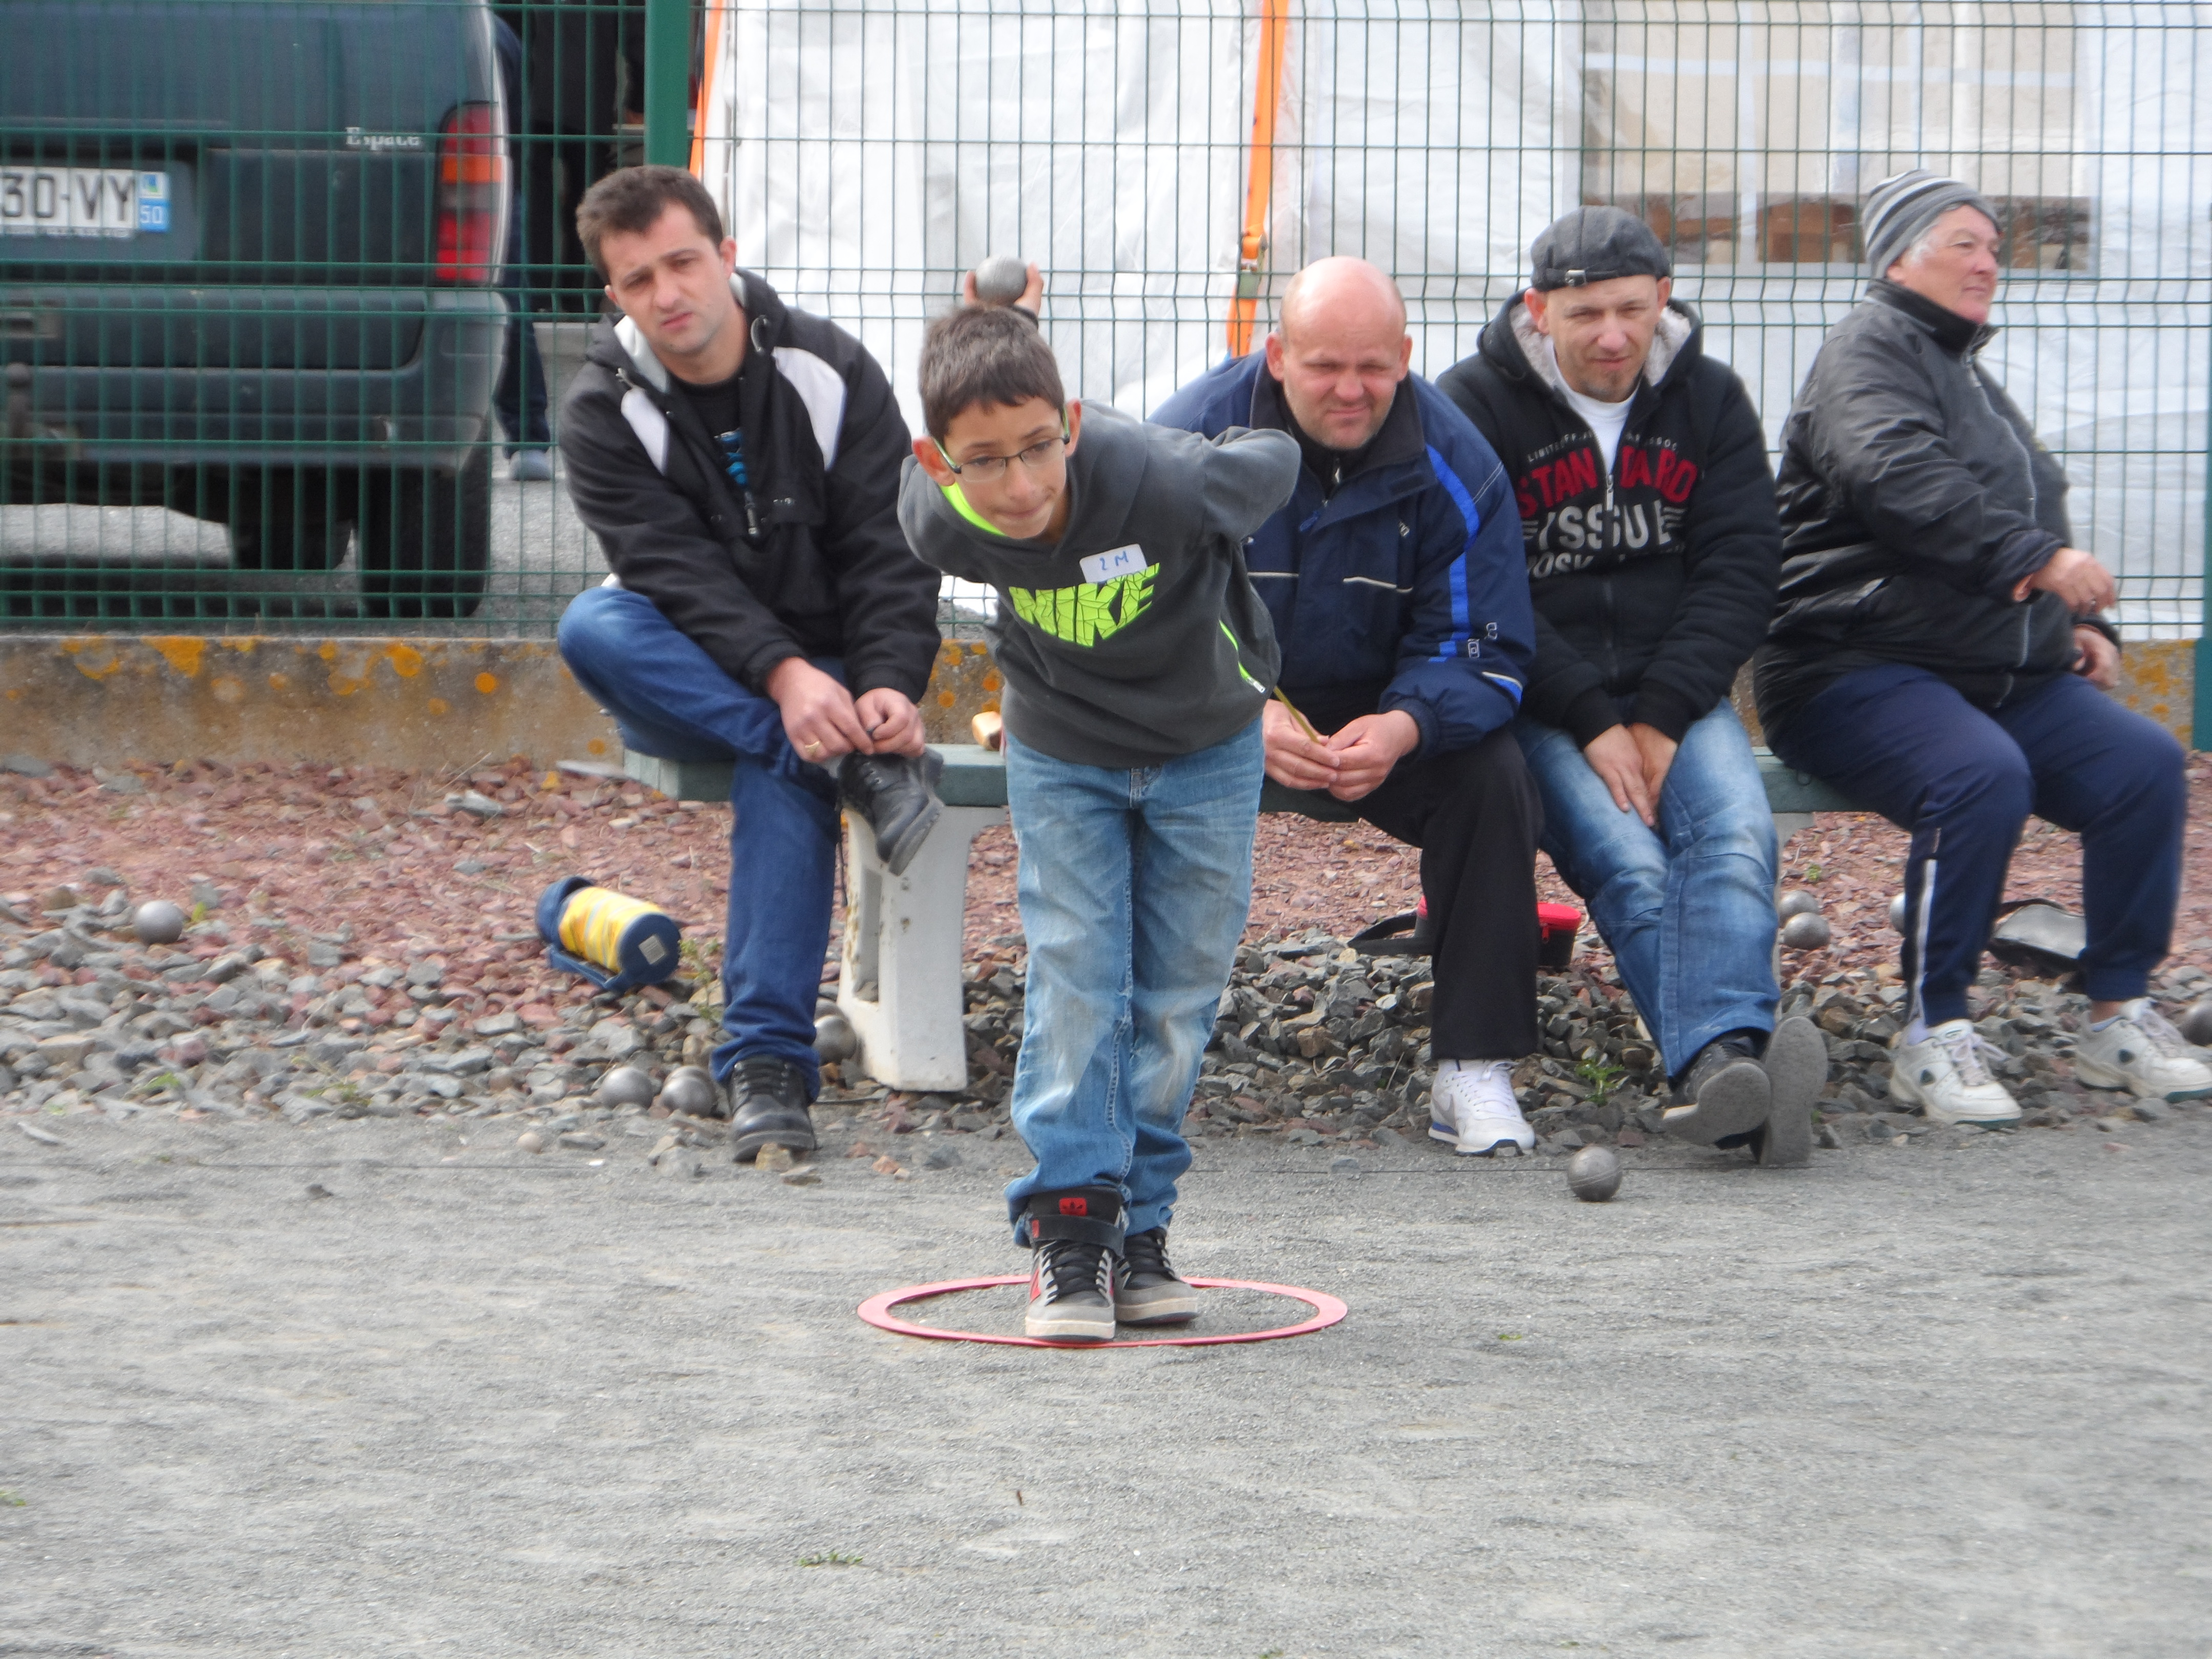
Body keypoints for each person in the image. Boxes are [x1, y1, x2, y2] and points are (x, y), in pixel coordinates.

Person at [1757, 168, 2211, 1124]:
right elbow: (1900, 478)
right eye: (1963, 243)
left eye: (1995, 247)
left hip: (1990, 672)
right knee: (1979, 775)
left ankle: (2118, 1011)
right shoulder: (1865, 354)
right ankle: (1934, 1030)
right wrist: (2036, 559)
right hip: (1852, 663)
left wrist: (2082, 626)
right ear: (1897, 259)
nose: (1988, 263)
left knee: (2142, 766)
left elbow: (2030, 498)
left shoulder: (1961, 369)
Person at [900, 299, 1299, 1342]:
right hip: (1064, 751)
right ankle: (1072, 1228)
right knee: (1078, 975)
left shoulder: (1165, 480)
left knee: (1177, 992)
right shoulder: (937, 517)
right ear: (938, 463)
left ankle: (1143, 1226)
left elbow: (1275, 459)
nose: (1021, 485)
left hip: (1206, 744)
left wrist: (1214, 439)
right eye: (986, 461)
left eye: (1040, 447)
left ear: (1072, 423)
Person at [552, 166, 946, 1160]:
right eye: (638, 280)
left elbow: (890, 548)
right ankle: (840, 760)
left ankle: (767, 1065)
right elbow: (673, 577)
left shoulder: (831, 369)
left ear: (727, 256)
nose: (667, 293)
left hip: (832, 676)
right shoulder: (601, 409)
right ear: (614, 293)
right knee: (593, 626)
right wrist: (783, 680)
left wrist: (888, 684)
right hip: (694, 673)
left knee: (791, 759)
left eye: (683, 262)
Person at [1436, 207, 1825, 1164]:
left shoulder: (1712, 401)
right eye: (1586, 315)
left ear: (1663, 301)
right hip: (1540, 698)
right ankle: (1734, 1063)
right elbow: (1489, 586)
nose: (1613, 336)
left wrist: (1660, 714)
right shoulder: (1473, 404)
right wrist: (1590, 717)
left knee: (1734, 836)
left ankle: (1718, 1071)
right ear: (1539, 310)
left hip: (1675, 691)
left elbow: (1741, 568)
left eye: (1632, 310)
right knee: (1627, 862)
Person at [1153, 257, 1547, 1159]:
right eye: (1325, 366)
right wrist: (1240, 712)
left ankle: (1475, 1065)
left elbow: (1483, 643)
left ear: (1406, 356)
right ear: (1276, 356)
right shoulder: (1186, 441)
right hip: (1219, 703)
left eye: (1373, 367)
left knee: (1494, 781)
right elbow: (1143, 616)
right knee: (1119, 777)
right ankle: (1133, 1053)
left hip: (1385, 702)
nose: (1350, 389)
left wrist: (1408, 725)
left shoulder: (1460, 464)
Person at [490, 14, 555, 479]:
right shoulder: (490, 32)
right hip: (490, 178)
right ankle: (528, 436)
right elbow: (511, 121)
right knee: (509, 303)